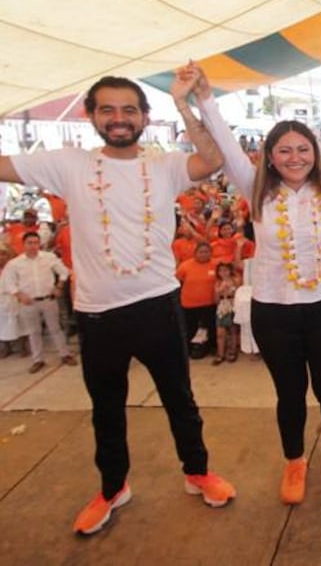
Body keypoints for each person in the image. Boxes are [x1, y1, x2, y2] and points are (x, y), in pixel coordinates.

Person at [0, 75, 236, 535]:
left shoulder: (164, 165)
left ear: (145, 118)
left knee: (180, 400)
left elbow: (213, 159)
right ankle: (112, 489)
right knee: (106, 409)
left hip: (158, 306)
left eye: (129, 110)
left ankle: (197, 472)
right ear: (90, 116)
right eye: (107, 110)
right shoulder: (68, 164)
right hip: (98, 314)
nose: (119, 119)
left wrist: (184, 105)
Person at [186, 61, 321, 506]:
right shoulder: (255, 188)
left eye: (303, 149)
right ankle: (295, 461)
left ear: (316, 153)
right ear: (269, 156)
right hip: (274, 311)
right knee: (289, 394)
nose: (295, 157)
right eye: (284, 150)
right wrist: (205, 97)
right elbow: (224, 143)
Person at [0, 231, 74, 372]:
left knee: (56, 329)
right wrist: (19, 294)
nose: (33, 246)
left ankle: (65, 354)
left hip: (48, 299)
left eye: (36, 243)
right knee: (33, 331)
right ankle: (38, 360)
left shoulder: (49, 257)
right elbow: (8, 283)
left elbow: (64, 272)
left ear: (39, 243)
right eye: (30, 243)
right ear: (24, 244)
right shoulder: (15, 263)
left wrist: (59, 286)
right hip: (28, 302)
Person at [176, 242, 218, 360]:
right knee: (190, 327)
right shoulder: (185, 266)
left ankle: (211, 347)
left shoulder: (216, 264)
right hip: (189, 304)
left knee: (210, 327)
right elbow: (178, 281)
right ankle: (190, 348)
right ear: (195, 253)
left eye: (207, 252)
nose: (204, 254)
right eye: (201, 252)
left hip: (210, 303)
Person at [214, 262, 238, 364]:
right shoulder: (218, 283)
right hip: (222, 307)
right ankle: (220, 353)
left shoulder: (235, 281)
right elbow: (215, 299)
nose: (223, 273)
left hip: (232, 305)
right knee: (220, 332)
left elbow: (238, 294)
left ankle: (232, 351)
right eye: (221, 270)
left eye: (226, 270)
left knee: (233, 330)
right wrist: (219, 291)